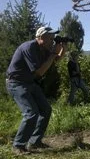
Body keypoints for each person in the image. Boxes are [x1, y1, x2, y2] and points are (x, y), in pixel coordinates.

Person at [6, 26, 67, 155]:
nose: (53, 40)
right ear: (40, 37)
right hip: (16, 83)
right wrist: (53, 53)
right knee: (31, 113)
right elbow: (39, 72)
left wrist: (62, 51)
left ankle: (35, 142)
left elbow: (53, 61)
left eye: (53, 38)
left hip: (29, 82)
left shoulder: (43, 49)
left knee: (46, 109)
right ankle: (18, 145)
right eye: (50, 38)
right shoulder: (29, 47)